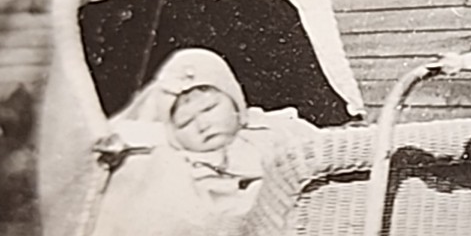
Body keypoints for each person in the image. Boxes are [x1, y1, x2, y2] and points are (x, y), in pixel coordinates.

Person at [96, 47, 318, 204]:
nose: (202, 125)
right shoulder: (183, 163)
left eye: (209, 108)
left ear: (235, 103)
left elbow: (318, 148)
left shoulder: (272, 130)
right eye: (185, 123)